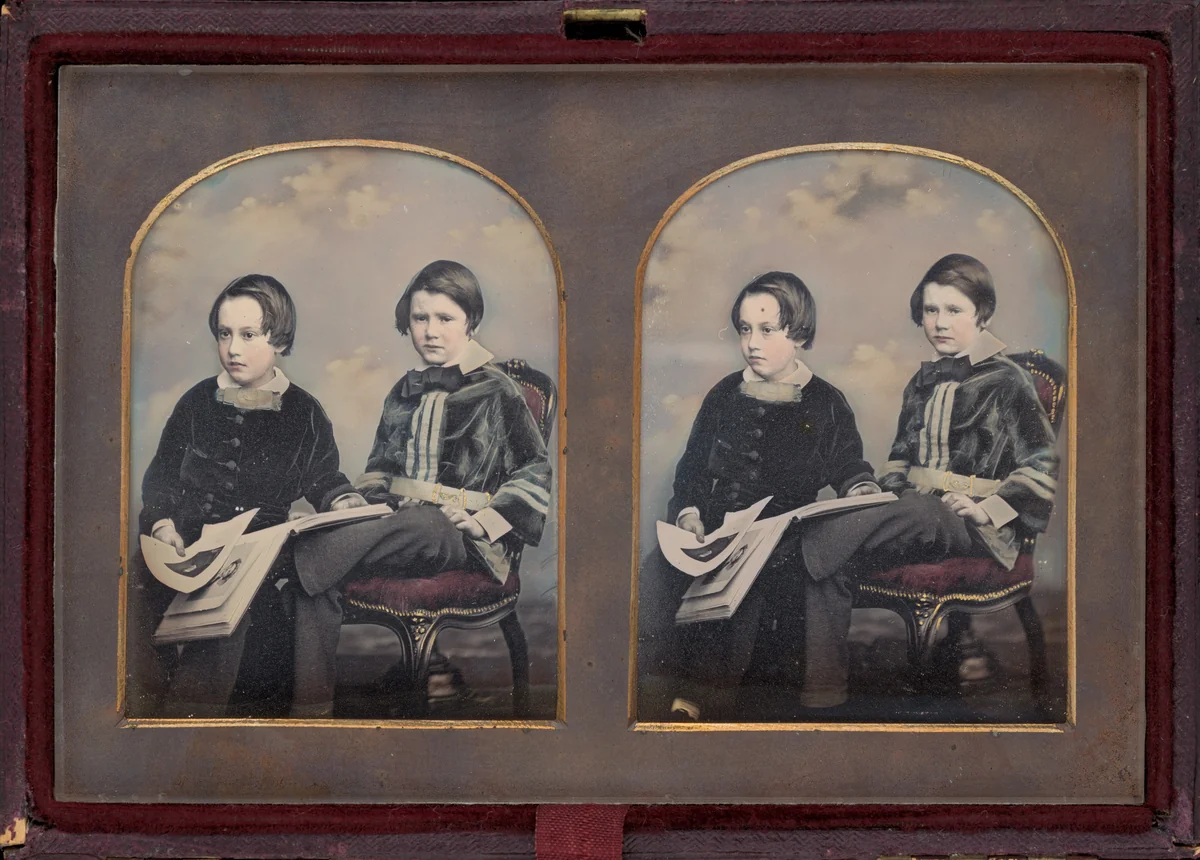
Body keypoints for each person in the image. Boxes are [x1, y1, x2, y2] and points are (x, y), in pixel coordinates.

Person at [288, 260, 553, 717]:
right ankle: (310, 710)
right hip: (396, 530)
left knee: (423, 522)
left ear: (470, 321)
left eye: (445, 318)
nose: (430, 331)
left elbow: (534, 469)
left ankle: (296, 552)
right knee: (316, 584)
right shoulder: (402, 392)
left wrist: (481, 522)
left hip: (461, 539)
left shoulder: (498, 390)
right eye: (420, 318)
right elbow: (379, 468)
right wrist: (359, 503)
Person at [796, 253, 1059, 709]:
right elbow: (899, 458)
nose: (939, 322)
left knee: (911, 511)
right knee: (831, 563)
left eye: (954, 310)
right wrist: (882, 494)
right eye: (931, 310)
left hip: (975, 526)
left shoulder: (1008, 381)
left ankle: (794, 547)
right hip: (913, 516)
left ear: (983, 314)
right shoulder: (921, 383)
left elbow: (1041, 462)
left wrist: (987, 508)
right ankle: (823, 698)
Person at [639, 271, 879, 721]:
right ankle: (660, 694)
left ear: (800, 334)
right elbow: (690, 470)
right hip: (712, 528)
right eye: (745, 330)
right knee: (655, 578)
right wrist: (689, 515)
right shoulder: (724, 395)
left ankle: (712, 697)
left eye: (768, 331)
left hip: (781, 533)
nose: (753, 342)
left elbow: (848, 465)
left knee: (749, 588)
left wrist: (860, 487)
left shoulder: (825, 401)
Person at [130, 274, 367, 718]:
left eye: (248, 334)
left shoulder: (305, 412)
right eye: (224, 334)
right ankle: (149, 717)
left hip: (258, 551)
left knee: (228, 619)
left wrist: (342, 500)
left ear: (278, 338)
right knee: (133, 600)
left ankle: (192, 724)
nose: (232, 348)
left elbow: (324, 476)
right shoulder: (196, 402)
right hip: (184, 542)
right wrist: (163, 526)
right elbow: (161, 479)